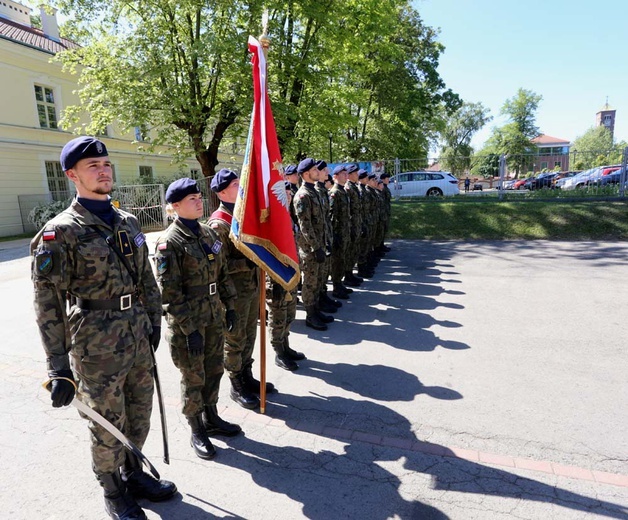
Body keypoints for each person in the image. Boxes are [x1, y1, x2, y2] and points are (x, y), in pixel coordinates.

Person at [31, 136, 176, 520]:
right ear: (72, 175)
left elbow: (146, 277)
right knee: (107, 422)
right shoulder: (59, 232)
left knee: (140, 412)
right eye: (93, 166)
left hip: (137, 334)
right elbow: (48, 304)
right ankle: (112, 489)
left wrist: (154, 321)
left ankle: (133, 473)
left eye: (106, 164)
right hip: (95, 344)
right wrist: (58, 367)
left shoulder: (127, 221)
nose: (103, 170)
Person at [153, 178, 240, 461]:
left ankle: (212, 416)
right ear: (176, 206)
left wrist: (232, 307)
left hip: (214, 314)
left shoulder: (207, 234)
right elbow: (169, 294)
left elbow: (223, 273)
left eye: (199, 197)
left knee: (215, 369)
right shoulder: (170, 242)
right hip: (189, 323)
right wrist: (189, 329)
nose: (199, 201)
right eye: (192, 199)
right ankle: (196, 427)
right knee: (194, 376)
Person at [207, 169, 275, 410]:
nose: (242, 187)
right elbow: (217, 266)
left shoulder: (242, 215)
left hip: (251, 288)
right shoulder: (219, 224)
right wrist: (250, 259)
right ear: (222, 191)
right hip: (234, 294)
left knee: (249, 335)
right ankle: (236, 383)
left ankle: (247, 375)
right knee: (234, 339)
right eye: (236, 184)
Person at [265, 181, 305, 371]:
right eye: (284, 194)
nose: (288, 196)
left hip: (291, 274)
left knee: (290, 313)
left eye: (289, 193)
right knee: (278, 316)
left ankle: (286, 346)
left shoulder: (288, 217)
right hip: (276, 278)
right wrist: (273, 280)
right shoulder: (271, 220)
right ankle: (278, 352)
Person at [292, 158, 330, 331]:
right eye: (315, 169)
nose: (318, 171)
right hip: (310, 248)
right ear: (306, 173)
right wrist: (316, 248)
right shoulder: (302, 196)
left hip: (320, 245)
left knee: (318, 281)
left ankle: (316, 310)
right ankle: (310, 315)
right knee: (309, 282)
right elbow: (305, 226)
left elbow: (321, 221)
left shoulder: (314, 191)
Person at [329, 164, 352, 299]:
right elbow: (332, 216)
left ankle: (340, 283)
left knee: (342, 258)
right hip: (338, 232)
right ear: (336, 176)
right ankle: (336, 286)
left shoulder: (343, 191)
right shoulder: (335, 192)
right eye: (343, 174)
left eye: (346, 173)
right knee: (337, 260)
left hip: (345, 231)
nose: (346, 175)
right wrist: (335, 234)